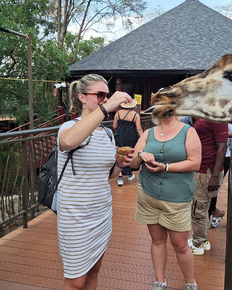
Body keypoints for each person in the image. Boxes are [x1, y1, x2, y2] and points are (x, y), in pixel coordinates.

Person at [56, 74, 133, 290]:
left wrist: (121, 163)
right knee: (75, 280)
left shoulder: (107, 134)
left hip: (101, 212)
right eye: (99, 94)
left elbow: (108, 175)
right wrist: (106, 108)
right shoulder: (68, 128)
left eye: (106, 95)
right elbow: (69, 141)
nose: (104, 99)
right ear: (81, 97)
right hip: (75, 214)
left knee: (93, 271)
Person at [131, 110, 201, 290]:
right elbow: (132, 164)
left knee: (180, 244)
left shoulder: (188, 131)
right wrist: (141, 155)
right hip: (148, 194)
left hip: (176, 197)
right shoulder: (148, 133)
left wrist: (166, 167)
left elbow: (195, 162)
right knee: (157, 240)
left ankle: (191, 283)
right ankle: (159, 282)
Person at [189, 119, 228, 255]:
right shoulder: (206, 115)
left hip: (207, 170)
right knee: (203, 207)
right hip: (203, 168)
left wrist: (215, 175)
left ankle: (197, 243)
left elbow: (222, 146)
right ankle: (203, 239)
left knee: (197, 208)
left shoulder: (217, 117)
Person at [209, 123, 232, 229]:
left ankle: (215, 212)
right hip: (212, 156)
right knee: (209, 188)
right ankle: (213, 212)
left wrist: (224, 134)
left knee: (212, 186)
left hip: (224, 157)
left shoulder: (227, 121)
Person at [112, 99, 143, 186]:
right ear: (132, 106)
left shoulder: (118, 113)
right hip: (132, 136)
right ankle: (129, 173)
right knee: (130, 154)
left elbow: (114, 126)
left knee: (120, 154)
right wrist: (144, 138)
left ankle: (120, 177)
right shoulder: (135, 115)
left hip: (120, 135)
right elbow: (139, 128)